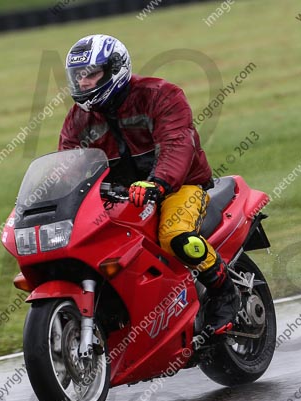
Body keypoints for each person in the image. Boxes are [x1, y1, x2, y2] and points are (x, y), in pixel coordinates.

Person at [58, 34, 239, 334]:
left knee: (175, 236)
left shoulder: (160, 95)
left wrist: (158, 183)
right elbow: (66, 166)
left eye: (91, 74)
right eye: (79, 77)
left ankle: (224, 291)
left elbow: (177, 144)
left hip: (178, 187)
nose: (85, 83)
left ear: (115, 69)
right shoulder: (78, 119)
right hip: (117, 199)